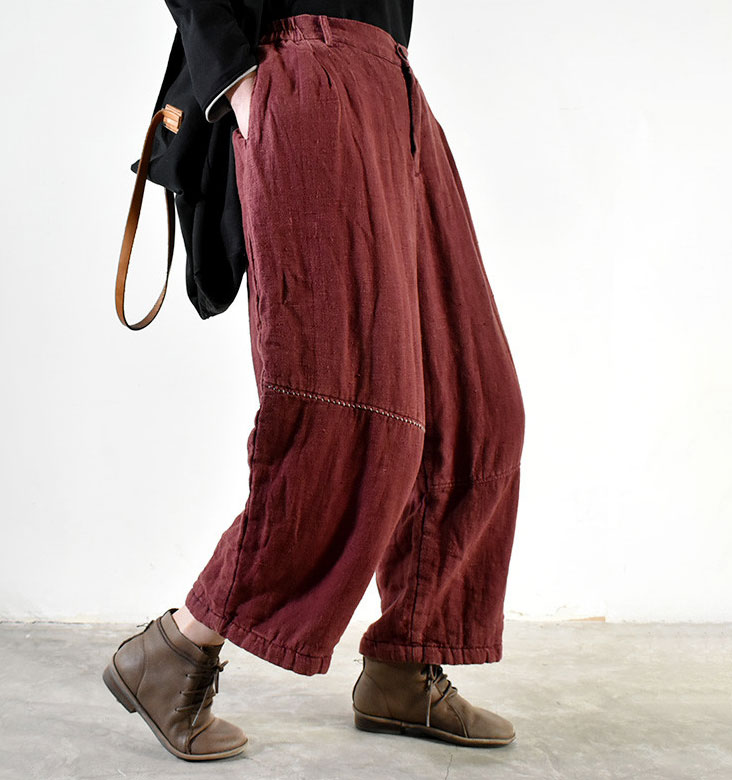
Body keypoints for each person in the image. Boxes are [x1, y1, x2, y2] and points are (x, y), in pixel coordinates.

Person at [103, 2, 526, 762]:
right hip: (303, 70)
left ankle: (406, 663)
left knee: (475, 406)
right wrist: (238, 82)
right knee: (346, 409)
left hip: (393, 86)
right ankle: (176, 649)